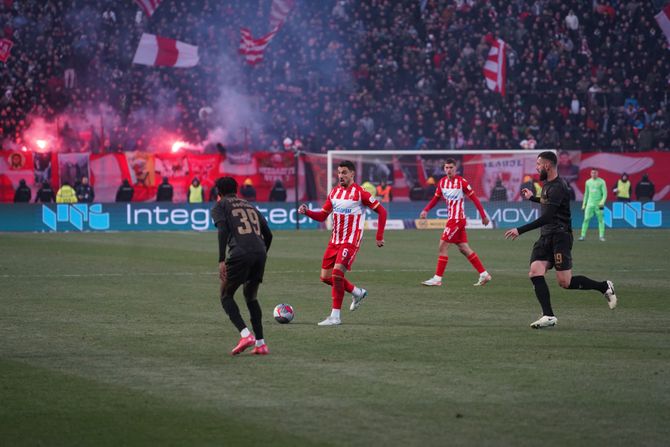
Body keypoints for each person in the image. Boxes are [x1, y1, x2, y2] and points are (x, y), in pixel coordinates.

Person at [504, 151, 617, 329]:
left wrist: (520, 229)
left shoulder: (558, 186)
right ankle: (548, 315)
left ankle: (604, 286)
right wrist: (532, 197)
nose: (536, 167)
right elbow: (546, 201)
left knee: (565, 282)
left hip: (560, 236)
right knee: (535, 272)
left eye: (539, 164)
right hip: (546, 236)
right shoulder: (548, 185)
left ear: (547, 166)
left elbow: (548, 216)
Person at [298, 160, 387, 326]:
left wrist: (379, 236)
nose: (341, 176)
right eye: (339, 173)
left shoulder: (361, 193)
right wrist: (307, 212)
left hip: (350, 241)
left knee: (337, 274)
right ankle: (357, 292)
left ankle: (335, 316)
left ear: (352, 174)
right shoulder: (334, 193)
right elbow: (322, 216)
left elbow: (382, 211)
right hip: (334, 241)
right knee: (325, 277)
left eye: (344, 172)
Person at [212, 176, 273, 355]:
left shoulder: (220, 205)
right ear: (236, 190)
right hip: (260, 253)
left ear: (218, 192)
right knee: (251, 296)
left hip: (240, 253)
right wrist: (260, 254)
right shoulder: (249, 204)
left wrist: (221, 259)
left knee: (225, 295)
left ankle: (246, 335)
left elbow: (222, 229)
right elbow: (268, 234)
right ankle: (261, 344)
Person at [420, 158, 492, 287]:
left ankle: (437, 278)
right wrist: (426, 210)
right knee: (464, 248)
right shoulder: (442, 182)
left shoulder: (461, 182)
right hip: (453, 219)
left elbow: (474, 199)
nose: (449, 170)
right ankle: (484, 274)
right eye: (446, 168)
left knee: (442, 246)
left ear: (456, 168)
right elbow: (435, 199)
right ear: (444, 169)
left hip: (457, 219)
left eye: (451, 167)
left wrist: (483, 215)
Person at [579, 169, 607, 242]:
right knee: (586, 219)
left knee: (601, 220)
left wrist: (602, 202)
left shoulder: (601, 182)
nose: (593, 174)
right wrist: (583, 204)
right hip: (590, 204)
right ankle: (582, 236)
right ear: (590, 173)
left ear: (597, 173)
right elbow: (586, 194)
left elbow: (605, 193)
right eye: (592, 172)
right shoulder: (588, 182)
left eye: (595, 172)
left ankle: (601, 236)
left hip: (599, 204)